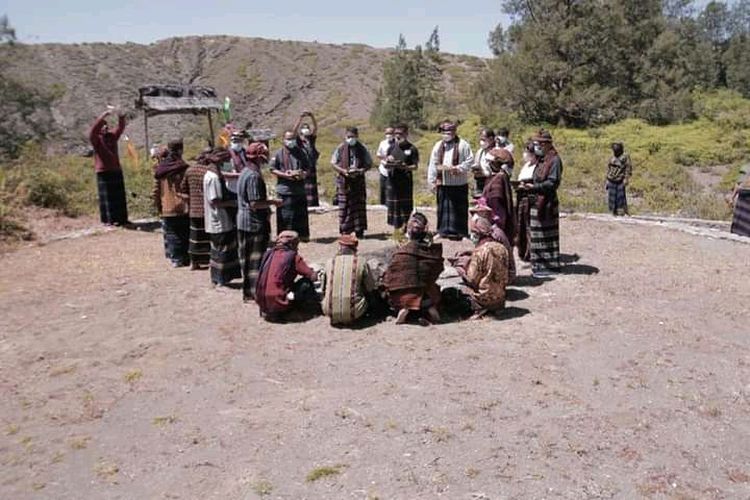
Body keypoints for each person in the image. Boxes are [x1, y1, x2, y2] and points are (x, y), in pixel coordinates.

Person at [237, 142, 282, 302]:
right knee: (256, 260)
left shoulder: (245, 172)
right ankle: (255, 292)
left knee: (247, 260)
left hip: (243, 221)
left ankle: (249, 292)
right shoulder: (254, 176)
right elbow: (255, 203)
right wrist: (273, 202)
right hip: (253, 223)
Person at [383, 213, 444, 325]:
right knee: (430, 288)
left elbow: (390, 277)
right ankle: (429, 307)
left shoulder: (401, 253)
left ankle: (405, 307)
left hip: (403, 296)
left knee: (392, 289)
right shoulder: (432, 252)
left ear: (409, 231)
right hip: (426, 293)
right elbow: (438, 270)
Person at [518, 130, 562, 277]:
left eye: (539, 144)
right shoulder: (542, 159)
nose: (537, 146)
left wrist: (535, 187)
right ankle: (538, 265)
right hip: (536, 200)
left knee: (546, 235)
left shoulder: (554, 160)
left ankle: (548, 266)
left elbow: (552, 182)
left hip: (547, 202)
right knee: (536, 234)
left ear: (547, 144)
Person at [255, 230, 319, 322]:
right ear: (293, 244)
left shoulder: (268, 254)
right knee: (306, 283)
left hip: (262, 302)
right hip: (279, 300)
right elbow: (312, 276)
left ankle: (270, 311)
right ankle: (293, 310)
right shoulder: (293, 257)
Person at [427, 121, 474, 240]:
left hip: (459, 182)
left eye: (449, 132)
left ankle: (461, 232)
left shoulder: (463, 145)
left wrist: (458, 168)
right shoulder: (438, 146)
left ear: (454, 132)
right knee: (443, 208)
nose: (446, 135)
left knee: (460, 208)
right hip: (443, 182)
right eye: (444, 132)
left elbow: (469, 161)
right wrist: (431, 181)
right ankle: (442, 231)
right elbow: (433, 163)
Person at [457, 215, 509, 319]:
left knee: (452, 293)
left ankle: (480, 308)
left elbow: (471, 279)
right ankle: (494, 309)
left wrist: (461, 270)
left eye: (473, 232)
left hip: (484, 298)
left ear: (478, 234)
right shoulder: (502, 248)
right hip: (500, 298)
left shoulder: (479, 252)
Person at [203, 149, 241, 287]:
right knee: (221, 249)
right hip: (218, 218)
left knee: (220, 248)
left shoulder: (212, 175)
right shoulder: (212, 178)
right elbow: (215, 201)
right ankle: (220, 279)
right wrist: (233, 203)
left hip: (219, 217)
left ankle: (220, 278)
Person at [321, 233, 377, 326]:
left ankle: (337, 314)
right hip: (356, 312)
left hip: (329, 310)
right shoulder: (361, 262)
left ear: (340, 247)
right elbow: (370, 287)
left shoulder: (330, 262)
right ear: (355, 248)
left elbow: (323, 289)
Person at [153, 139, 190, 267]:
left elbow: (156, 190)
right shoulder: (184, 167)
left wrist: (158, 205)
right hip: (184, 205)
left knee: (172, 233)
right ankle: (185, 257)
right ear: (180, 150)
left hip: (167, 206)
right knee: (184, 232)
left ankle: (176, 259)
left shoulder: (160, 169)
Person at [331, 127, 373, 237]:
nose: (351, 139)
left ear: (357, 136)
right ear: (345, 136)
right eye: (349, 137)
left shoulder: (362, 148)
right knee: (345, 205)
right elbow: (333, 163)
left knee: (359, 206)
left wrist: (361, 171)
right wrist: (343, 171)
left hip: (358, 180)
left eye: (353, 137)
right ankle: (345, 230)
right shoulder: (340, 148)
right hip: (344, 181)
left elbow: (369, 163)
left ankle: (359, 230)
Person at [89, 110, 128, 226]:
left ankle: (122, 219)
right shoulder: (96, 140)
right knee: (107, 199)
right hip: (103, 171)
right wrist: (103, 115)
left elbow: (120, 128)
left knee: (119, 197)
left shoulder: (112, 136)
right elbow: (93, 131)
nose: (105, 128)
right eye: (103, 126)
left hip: (116, 169)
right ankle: (109, 220)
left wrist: (121, 117)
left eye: (106, 126)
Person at [271, 130, 311, 241]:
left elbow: (308, 168)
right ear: (284, 140)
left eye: (293, 139)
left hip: (299, 189)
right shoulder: (278, 153)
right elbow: (272, 169)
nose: (291, 141)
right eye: (288, 139)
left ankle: (302, 237)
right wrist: (285, 175)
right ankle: (285, 238)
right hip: (285, 190)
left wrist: (303, 174)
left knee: (301, 215)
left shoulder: (302, 152)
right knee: (286, 216)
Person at [179, 151, 211, 269]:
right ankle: (208, 260)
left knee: (195, 239)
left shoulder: (189, 171)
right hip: (207, 210)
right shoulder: (208, 172)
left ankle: (194, 262)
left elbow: (183, 189)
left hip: (194, 210)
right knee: (207, 238)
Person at [384, 124, 419, 230]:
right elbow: (386, 162)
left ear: (406, 134)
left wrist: (405, 167)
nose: (398, 136)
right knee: (394, 206)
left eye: (400, 133)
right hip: (392, 181)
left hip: (405, 181)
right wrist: (388, 164)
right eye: (396, 133)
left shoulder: (412, 149)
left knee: (405, 205)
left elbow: (415, 166)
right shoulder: (391, 148)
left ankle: (405, 227)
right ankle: (396, 228)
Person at [481, 147, 515, 246]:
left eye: (488, 162)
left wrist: (495, 226)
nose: (486, 164)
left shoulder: (498, 181)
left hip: (494, 225)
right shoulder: (496, 177)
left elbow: (497, 206)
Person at [515, 141, 538, 262]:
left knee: (529, 225)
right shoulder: (526, 165)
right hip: (521, 197)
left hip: (530, 198)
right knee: (521, 225)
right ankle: (523, 250)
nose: (525, 154)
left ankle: (531, 252)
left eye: (528, 152)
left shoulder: (537, 167)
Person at [293, 111, 321, 207]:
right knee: (303, 186)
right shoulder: (299, 141)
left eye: (307, 128)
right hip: (302, 168)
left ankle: (313, 204)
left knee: (312, 187)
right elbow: (294, 130)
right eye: (304, 128)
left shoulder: (311, 140)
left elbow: (316, 127)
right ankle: (303, 204)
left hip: (311, 167)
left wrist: (312, 116)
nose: (306, 130)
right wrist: (300, 118)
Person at [606, 141, 633, 216]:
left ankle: (622, 212)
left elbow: (628, 168)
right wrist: (607, 180)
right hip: (611, 179)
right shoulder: (612, 157)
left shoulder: (625, 156)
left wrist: (626, 179)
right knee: (611, 197)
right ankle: (612, 212)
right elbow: (609, 167)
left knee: (620, 197)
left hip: (620, 180)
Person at [471, 128, 495, 198]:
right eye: (481, 139)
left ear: (491, 139)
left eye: (484, 140)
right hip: (480, 182)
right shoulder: (480, 152)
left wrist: (485, 172)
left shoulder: (496, 152)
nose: (482, 142)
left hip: (492, 183)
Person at [376, 126, 396, 206]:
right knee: (383, 188)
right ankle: (382, 204)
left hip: (393, 170)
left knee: (392, 188)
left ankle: (391, 204)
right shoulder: (382, 143)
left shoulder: (397, 143)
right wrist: (385, 158)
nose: (389, 135)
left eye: (391, 133)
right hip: (383, 170)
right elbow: (378, 154)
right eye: (387, 133)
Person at [730, 166, 750, 237]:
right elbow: (738, 183)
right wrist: (732, 197)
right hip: (743, 197)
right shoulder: (746, 167)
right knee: (740, 218)